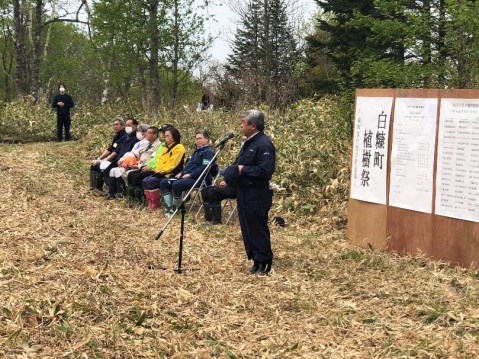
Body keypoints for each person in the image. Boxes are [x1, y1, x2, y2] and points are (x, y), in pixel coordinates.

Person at [223, 110, 276, 275]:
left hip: (257, 193)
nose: (241, 126)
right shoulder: (249, 142)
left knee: (257, 227)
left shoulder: (264, 144)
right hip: (244, 191)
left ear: (253, 126)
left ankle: (264, 260)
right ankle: (255, 258)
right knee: (247, 227)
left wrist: (242, 169)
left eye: (243, 122)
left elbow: (265, 170)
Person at [160, 130, 217, 216]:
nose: (198, 141)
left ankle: (177, 208)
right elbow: (189, 165)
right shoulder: (196, 151)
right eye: (196, 139)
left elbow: (204, 168)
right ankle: (170, 206)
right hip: (187, 176)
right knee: (164, 182)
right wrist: (182, 172)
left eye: (200, 138)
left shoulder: (208, 152)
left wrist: (190, 174)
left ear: (207, 139)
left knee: (177, 184)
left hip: (199, 179)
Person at [141, 126, 186, 211]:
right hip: (161, 172)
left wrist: (163, 171)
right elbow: (159, 160)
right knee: (145, 180)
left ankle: (156, 203)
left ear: (174, 136)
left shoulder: (179, 147)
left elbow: (173, 163)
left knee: (152, 181)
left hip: (172, 173)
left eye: (168, 136)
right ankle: (150, 202)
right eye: (165, 136)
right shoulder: (165, 148)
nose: (166, 138)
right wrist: (158, 169)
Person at [103, 117, 139, 199]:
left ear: (135, 126)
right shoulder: (126, 137)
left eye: (129, 125)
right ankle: (112, 192)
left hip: (128, 161)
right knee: (109, 169)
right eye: (126, 125)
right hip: (120, 159)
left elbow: (133, 153)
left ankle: (120, 193)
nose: (127, 127)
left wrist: (123, 160)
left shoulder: (136, 138)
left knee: (110, 168)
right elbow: (118, 149)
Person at [89, 116, 126, 192]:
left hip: (117, 160)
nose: (115, 126)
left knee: (102, 166)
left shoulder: (125, 136)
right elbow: (110, 149)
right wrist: (99, 158)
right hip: (111, 158)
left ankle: (111, 189)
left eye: (117, 124)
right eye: (114, 125)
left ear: (122, 125)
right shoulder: (116, 136)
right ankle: (95, 188)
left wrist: (104, 160)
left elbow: (116, 152)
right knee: (94, 164)